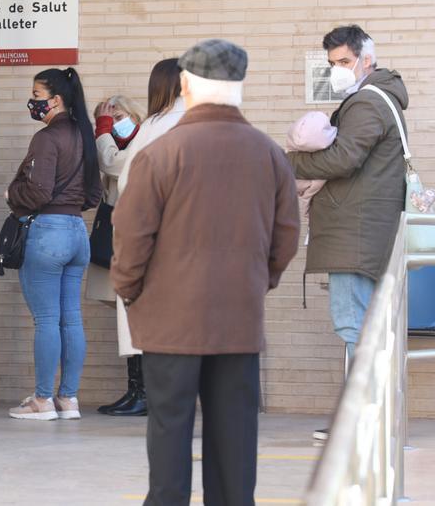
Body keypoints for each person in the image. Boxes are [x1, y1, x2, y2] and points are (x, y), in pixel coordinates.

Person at [112, 39, 300, 505]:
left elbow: (132, 238)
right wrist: (258, 282)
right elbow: (286, 237)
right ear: (239, 85)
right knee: (235, 436)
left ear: (186, 86)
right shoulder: (269, 154)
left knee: (170, 431)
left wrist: (130, 290)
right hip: (238, 317)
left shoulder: (160, 152)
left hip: (169, 320)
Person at [287, 25, 407, 442]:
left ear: (365, 59)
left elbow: (343, 159)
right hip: (361, 229)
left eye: (343, 62)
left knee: (353, 325)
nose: (337, 71)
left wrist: (288, 165)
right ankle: (371, 419)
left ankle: (364, 422)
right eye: (332, 64)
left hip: (354, 231)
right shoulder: (377, 99)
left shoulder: (367, 102)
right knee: (364, 328)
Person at [84, 58, 185, 417]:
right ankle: (137, 390)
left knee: (140, 315)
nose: (118, 121)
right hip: (144, 233)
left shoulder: (156, 128)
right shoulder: (165, 127)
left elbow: (117, 166)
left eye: (122, 115)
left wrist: (102, 132)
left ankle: (147, 394)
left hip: (148, 234)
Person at [5, 67, 104, 421]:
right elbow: (94, 193)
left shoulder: (47, 138)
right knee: (71, 319)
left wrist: (10, 193)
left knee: (47, 320)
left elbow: (38, 192)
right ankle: (69, 399)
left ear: (56, 99)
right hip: (77, 232)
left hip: (47, 233)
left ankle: (43, 400)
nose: (32, 102)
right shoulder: (84, 134)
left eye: (36, 95)